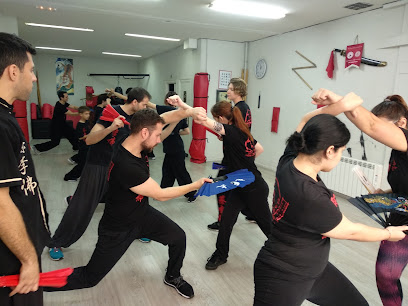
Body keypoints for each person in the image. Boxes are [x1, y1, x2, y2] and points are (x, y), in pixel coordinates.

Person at [253, 89, 408, 306]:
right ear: (329, 151)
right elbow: (349, 230)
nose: (340, 156)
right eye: (342, 151)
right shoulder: (310, 195)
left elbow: (308, 119)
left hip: (316, 269)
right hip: (284, 273)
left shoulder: (291, 158)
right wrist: (387, 233)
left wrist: (341, 105)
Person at [44, 109, 210, 299]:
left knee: (178, 237)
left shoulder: (128, 135)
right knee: (89, 278)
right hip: (117, 228)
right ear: (144, 133)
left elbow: (163, 119)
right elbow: (161, 195)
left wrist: (188, 112)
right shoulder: (127, 165)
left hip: (142, 214)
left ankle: (172, 276)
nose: (159, 140)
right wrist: (196, 184)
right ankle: (32, 285)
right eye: (157, 136)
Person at [47, 87, 205, 260]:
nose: (147, 107)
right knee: (82, 206)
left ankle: (137, 230)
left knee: (132, 201)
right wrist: (111, 127)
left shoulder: (139, 118)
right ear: (135, 102)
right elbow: (90, 139)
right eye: (144, 104)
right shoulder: (111, 111)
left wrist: (189, 112)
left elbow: (165, 118)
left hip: (121, 166)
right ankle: (57, 241)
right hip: (99, 164)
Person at [168, 96, 272, 270]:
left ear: (222, 119)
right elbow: (259, 148)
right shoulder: (241, 130)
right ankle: (221, 254)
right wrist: (243, 162)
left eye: (216, 120)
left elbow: (201, 119)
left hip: (254, 189)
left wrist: (180, 104)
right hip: (240, 185)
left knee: (268, 227)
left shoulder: (232, 132)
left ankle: (287, 253)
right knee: (226, 221)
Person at [343, 94, 408, 306]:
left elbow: (370, 126)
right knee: (385, 274)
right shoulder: (397, 151)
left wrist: (340, 102)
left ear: (402, 123)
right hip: (401, 217)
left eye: (383, 126)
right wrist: (385, 193)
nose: (377, 135)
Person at [0, 32, 50, 306]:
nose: (33, 77)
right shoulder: (1, 124)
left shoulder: (6, 116)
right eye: (31, 70)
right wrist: (28, 259)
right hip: (12, 258)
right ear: (13, 71)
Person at [207, 77, 255, 231]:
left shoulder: (239, 109)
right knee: (241, 189)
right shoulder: (242, 107)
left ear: (238, 91)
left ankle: (223, 221)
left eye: (230, 89)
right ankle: (252, 213)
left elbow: (237, 133)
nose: (227, 91)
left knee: (220, 187)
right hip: (235, 156)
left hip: (233, 158)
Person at [147, 91, 196, 202]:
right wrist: (175, 132)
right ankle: (163, 192)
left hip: (175, 148)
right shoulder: (180, 113)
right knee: (167, 170)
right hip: (174, 146)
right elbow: (187, 131)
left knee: (180, 172)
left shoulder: (167, 110)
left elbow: (150, 104)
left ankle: (191, 193)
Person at [64, 106, 91, 182]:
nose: (88, 115)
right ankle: (69, 176)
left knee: (85, 163)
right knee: (82, 164)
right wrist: (91, 135)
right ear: (80, 114)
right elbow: (79, 137)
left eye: (88, 114)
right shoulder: (79, 125)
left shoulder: (87, 122)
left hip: (88, 145)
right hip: (83, 146)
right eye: (86, 114)